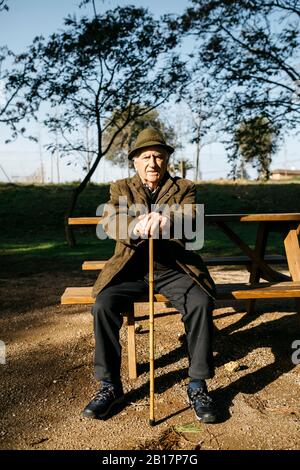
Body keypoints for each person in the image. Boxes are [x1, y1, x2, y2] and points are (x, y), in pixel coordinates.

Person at [82, 127, 218, 423]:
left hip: (173, 267)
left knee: (200, 303)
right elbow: (111, 220)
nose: (152, 163)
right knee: (103, 305)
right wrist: (134, 226)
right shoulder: (121, 187)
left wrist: (168, 220)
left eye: (158, 156)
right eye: (146, 157)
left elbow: (193, 219)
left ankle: (197, 384)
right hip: (130, 268)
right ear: (135, 161)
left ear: (167, 159)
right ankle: (109, 385)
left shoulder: (184, 187)